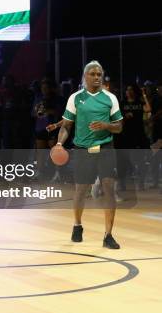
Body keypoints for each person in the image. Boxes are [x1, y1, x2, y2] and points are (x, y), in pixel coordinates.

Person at [54, 60, 123, 249]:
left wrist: (107, 126)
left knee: (109, 188)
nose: (96, 77)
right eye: (92, 74)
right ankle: (77, 225)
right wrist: (60, 143)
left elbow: (119, 127)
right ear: (85, 76)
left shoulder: (110, 98)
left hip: (106, 148)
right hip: (83, 150)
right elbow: (66, 126)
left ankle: (108, 235)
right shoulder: (75, 98)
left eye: (99, 74)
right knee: (81, 189)